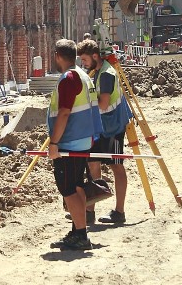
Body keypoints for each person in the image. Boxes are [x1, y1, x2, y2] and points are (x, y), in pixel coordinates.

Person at [47, 39, 102, 251]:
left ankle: (80, 234)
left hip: (70, 142)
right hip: (83, 139)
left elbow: (64, 112)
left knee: (68, 189)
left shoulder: (69, 78)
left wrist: (54, 143)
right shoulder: (83, 75)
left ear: (58, 56)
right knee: (77, 186)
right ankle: (78, 231)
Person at [78, 40, 132, 225]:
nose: (83, 64)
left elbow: (103, 104)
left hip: (114, 127)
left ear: (95, 56)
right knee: (93, 163)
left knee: (116, 165)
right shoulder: (96, 72)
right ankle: (89, 212)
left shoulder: (107, 74)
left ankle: (119, 212)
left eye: (84, 60)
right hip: (100, 126)